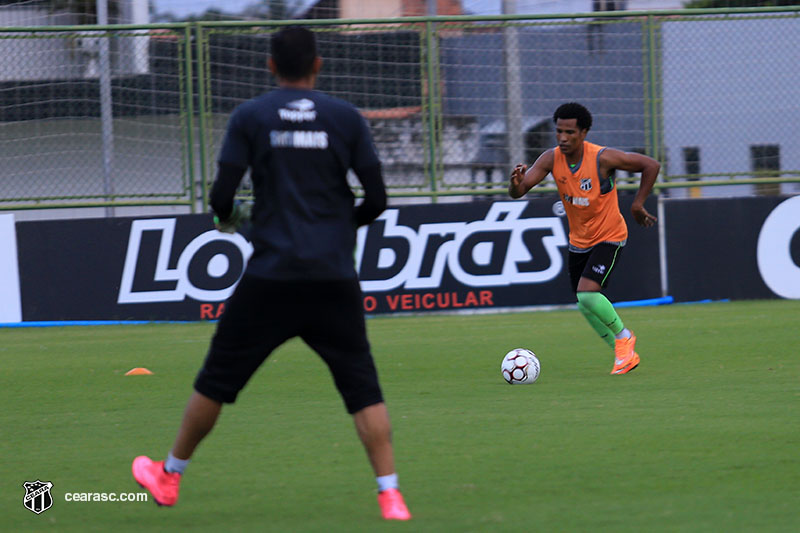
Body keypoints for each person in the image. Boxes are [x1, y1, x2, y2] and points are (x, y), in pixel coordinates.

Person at [132, 27, 411, 521]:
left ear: (269, 66)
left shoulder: (251, 116)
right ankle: (390, 495)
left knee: (215, 382)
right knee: (362, 388)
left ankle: (169, 475)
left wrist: (235, 218)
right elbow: (378, 200)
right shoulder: (345, 118)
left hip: (272, 276)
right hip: (332, 276)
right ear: (318, 65)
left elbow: (221, 199)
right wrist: (339, 227)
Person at [508, 102, 659, 375]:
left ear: (584, 132)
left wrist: (637, 204)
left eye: (570, 132)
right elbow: (520, 191)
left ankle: (624, 337)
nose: (563, 138)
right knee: (585, 304)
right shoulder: (551, 158)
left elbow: (650, 165)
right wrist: (515, 183)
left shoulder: (603, 158)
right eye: (559, 132)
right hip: (579, 241)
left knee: (588, 295)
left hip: (609, 235)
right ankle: (624, 355)